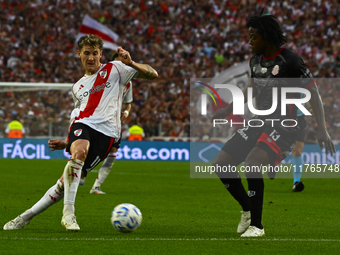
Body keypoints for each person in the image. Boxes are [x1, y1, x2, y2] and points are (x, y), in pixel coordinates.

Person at [3, 34, 158, 231]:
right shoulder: (77, 87)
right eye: (87, 53)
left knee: (62, 185)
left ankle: (25, 217)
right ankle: (69, 214)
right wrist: (68, 141)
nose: (91, 57)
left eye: (95, 53)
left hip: (108, 134)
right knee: (78, 153)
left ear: (101, 54)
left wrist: (132, 62)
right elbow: (77, 116)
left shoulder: (116, 69)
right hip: (84, 125)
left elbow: (153, 74)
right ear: (79, 54)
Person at [212, 11, 335, 237]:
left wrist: (322, 130)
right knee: (221, 163)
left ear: (266, 37)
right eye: (248, 36)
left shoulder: (291, 61)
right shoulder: (255, 60)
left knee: (252, 163)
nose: (249, 41)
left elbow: (314, 93)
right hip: (260, 121)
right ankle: (247, 210)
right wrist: (228, 109)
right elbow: (252, 88)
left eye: (253, 37)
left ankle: (257, 226)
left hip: (285, 125)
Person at [85, 52, 133, 195]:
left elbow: (128, 103)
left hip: (114, 124)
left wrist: (126, 112)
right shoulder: (101, 78)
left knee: (112, 154)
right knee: (90, 149)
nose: (122, 65)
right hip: (97, 122)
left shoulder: (128, 82)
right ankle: (82, 172)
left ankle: (96, 186)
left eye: (124, 62)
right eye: (119, 62)